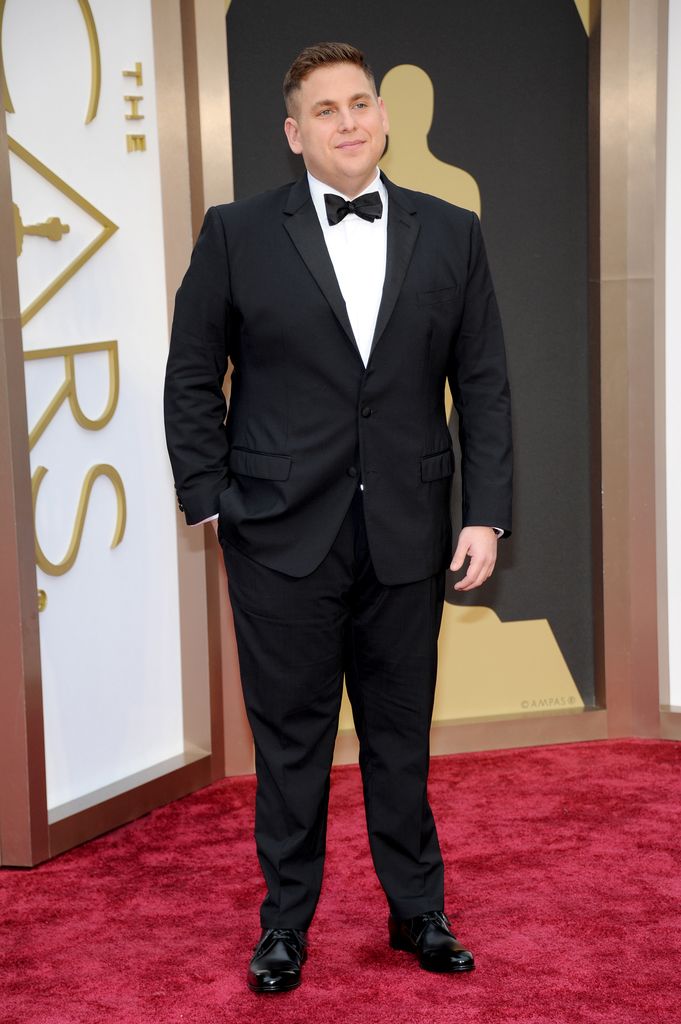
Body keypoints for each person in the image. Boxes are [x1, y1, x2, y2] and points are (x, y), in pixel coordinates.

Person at [164, 41, 512, 995]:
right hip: (277, 533)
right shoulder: (236, 233)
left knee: (401, 736)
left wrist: (484, 515)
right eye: (325, 110)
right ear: (293, 133)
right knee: (291, 743)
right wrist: (210, 500)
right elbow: (191, 374)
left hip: (409, 527)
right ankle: (284, 924)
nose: (348, 121)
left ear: (384, 117)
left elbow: (482, 382)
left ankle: (417, 912)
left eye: (360, 103)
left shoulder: (452, 232)